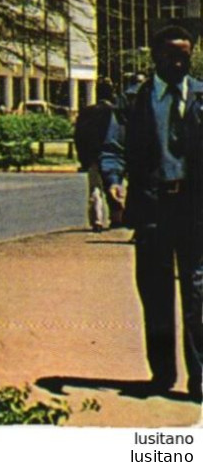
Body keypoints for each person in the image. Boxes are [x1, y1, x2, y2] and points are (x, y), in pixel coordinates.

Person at [100, 23, 202, 401]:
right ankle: (162, 375)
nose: (180, 63)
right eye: (172, 56)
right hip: (152, 206)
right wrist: (113, 179)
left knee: (198, 292)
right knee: (156, 292)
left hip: (194, 208)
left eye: (185, 56)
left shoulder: (201, 97)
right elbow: (113, 147)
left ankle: (201, 378)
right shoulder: (135, 101)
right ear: (156, 57)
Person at [74, 87, 118, 231]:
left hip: (93, 155)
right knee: (113, 186)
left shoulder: (87, 113)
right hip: (113, 154)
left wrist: (83, 157)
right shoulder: (116, 112)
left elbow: (79, 136)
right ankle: (116, 217)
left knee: (95, 189)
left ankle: (97, 220)